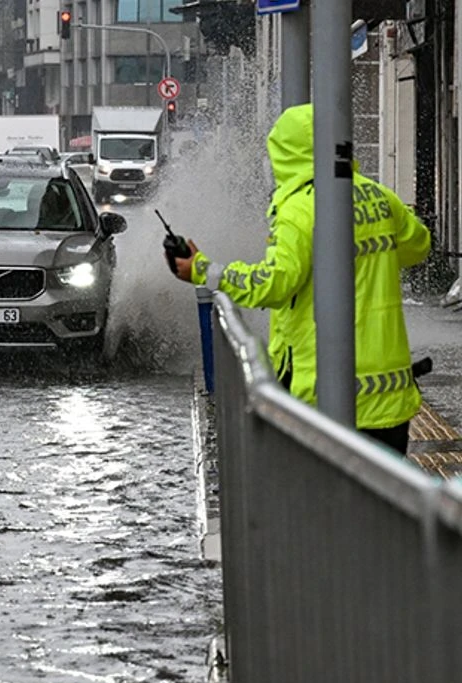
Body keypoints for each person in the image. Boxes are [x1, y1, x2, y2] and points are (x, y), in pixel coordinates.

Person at [167, 103, 432, 455]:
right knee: (379, 507)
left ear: (287, 154)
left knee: (324, 507)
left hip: (325, 396)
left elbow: (276, 283)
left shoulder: (298, 209)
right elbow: (419, 246)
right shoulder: (379, 197)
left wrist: (203, 270)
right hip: (390, 401)